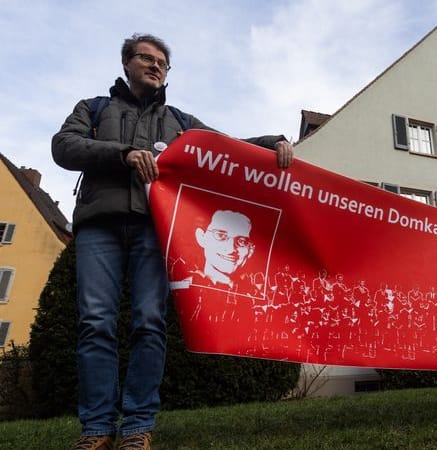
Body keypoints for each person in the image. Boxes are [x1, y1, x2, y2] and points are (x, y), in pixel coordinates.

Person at [52, 34, 293, 450]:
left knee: (149, 323)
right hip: (99, 227)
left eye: (162, 62)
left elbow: (224, 149)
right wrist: (124, 153)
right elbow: (64, 146)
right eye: (146, 58)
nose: (155, 66)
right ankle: (96, 430)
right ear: (126, 63)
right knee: (96, 324)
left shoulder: (181, 121)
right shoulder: (95, 108)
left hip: (156, 229)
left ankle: (137, 428)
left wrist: (271, 144)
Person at [194, 210, 256, 288]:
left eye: (242, 241)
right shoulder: (184, 286)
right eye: (220, 235)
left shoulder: (252, 293)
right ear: (201, 238)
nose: (231, 249)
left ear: (250, 250)